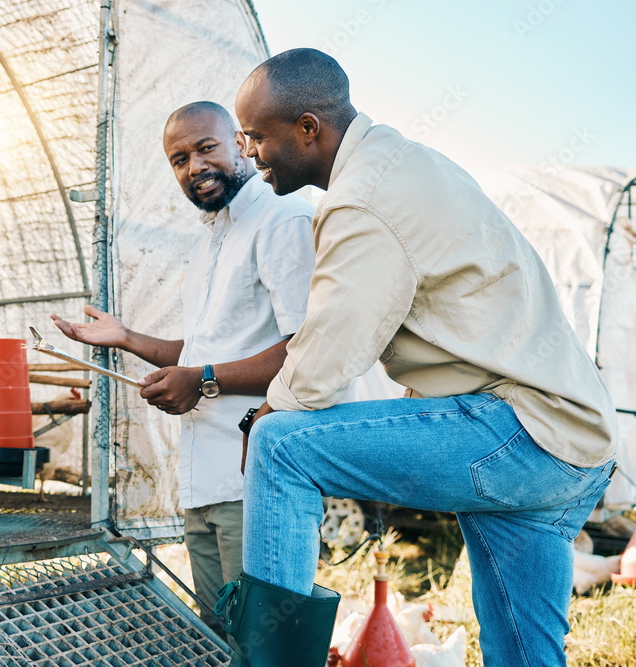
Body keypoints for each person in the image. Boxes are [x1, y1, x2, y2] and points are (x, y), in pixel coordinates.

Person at [219, 48, 618, 667]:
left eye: (254, 136)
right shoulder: (409, 162)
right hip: (570, 439)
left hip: (516, 432)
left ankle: (269, 660)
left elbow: (327, 355)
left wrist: (265, 414)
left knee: (279, 444)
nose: (247, 152)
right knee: (523, 654)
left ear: (307, 128)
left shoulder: (363, 200)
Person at [50, 101, 317, 636]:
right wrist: (125, 338)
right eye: (178, 159)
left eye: (205, 148)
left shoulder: (281, 220)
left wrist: (202, 381)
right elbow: (201, 354)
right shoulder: (211, 238)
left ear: (241, 144)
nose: (193, 166)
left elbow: (308, 352)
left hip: (257, 479)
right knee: (218, 634)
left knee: (264, 641)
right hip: (203, 481)